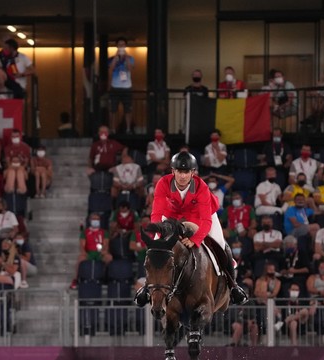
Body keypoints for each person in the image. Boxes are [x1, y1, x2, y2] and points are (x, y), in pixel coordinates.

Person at [134, 151, 249, 305]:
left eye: (186, 172)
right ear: (173, 171)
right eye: (179, 171)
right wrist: (161, 234)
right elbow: (156, 214)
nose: (182, 176)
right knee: (156, 247)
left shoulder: (201, 187)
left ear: (193, 173)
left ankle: (233, 286)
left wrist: (195, 239)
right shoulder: (163, 183)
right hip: (172, 215)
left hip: (202, 215)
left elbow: (206, 221)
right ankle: (147, 289)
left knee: (220, 243)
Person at [69, 212, 112, 290]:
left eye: (97, 219)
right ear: (90, 220)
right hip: (89, 253)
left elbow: (106, 244)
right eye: (93, 219)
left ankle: (107, 278)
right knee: (80, 259)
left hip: (100, 253)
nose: (95, 220)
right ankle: (76, 280)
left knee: (109, 257)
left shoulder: (104, 232)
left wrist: (103, 251)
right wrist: (84, 252)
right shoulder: (85, 232)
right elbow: (82, 245)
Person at [108, 38, 135, 134]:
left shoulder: (130, 58)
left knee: (128, 109)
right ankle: (112, 128)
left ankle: (128, 128)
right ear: (117, 46)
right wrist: (116, 57)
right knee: (113, 109)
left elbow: (130, 69)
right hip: (115, 87)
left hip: (127, 87)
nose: (121, 46)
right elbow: (111, 69)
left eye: (123, 45)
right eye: (119, 45)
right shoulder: (112, 58)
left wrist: (126, 57)